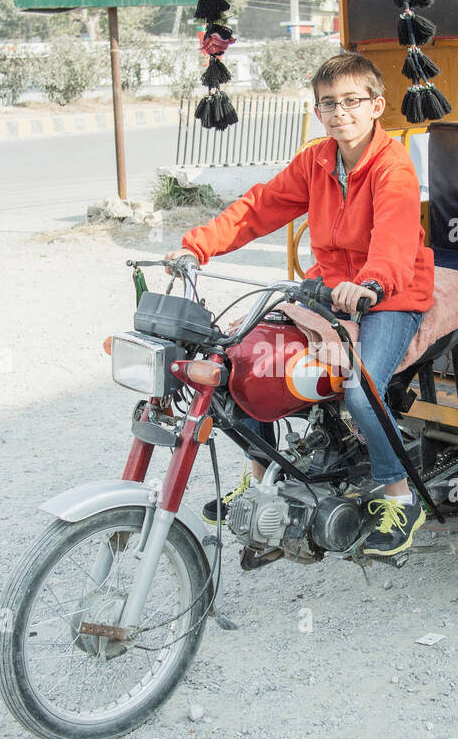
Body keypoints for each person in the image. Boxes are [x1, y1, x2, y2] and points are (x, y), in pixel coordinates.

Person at [166, 52, 434, 557]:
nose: (341, 113)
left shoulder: (393, 165)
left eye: (352, 101)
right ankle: (262, 476)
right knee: (236, 361)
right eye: (328, 104)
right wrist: (196, 245)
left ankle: (399, 493)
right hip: (326, 289)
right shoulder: (315, 160)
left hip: (391, 295)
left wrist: (372, 283)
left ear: (377, 106)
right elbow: (259, 207)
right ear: (318, 111)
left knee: (361, 389)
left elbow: (396, 240)